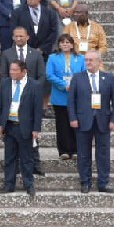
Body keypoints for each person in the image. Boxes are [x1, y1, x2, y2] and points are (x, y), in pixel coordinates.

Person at [69, 50, 114, 194]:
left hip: (103, 121)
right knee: (83, 153)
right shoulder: (77, 78)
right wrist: (72, 118)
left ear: (99, 62)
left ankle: (103, 183)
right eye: (86, 60)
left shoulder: (109, 78)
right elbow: (71, 101)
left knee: (103, 153)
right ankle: (85, 182)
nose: (88, 63)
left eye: (91, 60)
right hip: (82, 121)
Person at [0, 59, 43, 197]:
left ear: (24, 71)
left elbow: (37, 110)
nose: (12, 72)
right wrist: (0, 124)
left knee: (26, 158)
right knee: (9, 158)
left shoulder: (34, 85)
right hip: (9, 125)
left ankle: (29, 184)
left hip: (25, 127)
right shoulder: (5, 83)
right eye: (11, 70)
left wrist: (36, 129)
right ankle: (9, 184)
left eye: (15, 70)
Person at [45, 33, 84, 162]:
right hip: (60, 95)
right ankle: (64, 150)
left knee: (76, 123)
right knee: (62, 124)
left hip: (76, 95)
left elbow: (84, 74)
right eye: (62, 42)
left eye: (67, 42)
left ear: (72, 44)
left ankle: (76, 149)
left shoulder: (81, 58)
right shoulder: (52, 58)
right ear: (59, 44)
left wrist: (74, 85)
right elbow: (49, 75)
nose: (65, 44)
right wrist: (63, 85)